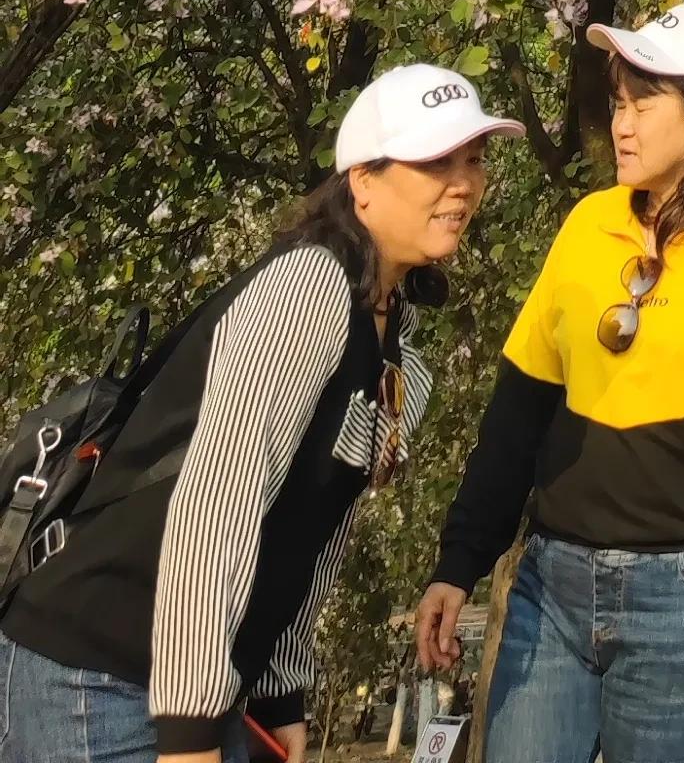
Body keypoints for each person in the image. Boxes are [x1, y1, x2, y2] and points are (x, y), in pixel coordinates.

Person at [0, 63, 516, 763]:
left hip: (199, 685)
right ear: (363, 180)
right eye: (435, 161)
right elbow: (220, 500)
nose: (463, 183)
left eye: (474, 159)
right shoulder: (309, 288)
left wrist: (279, 692)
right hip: (101, 674)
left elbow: (316, 531)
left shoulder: (393, 343)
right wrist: (188, 734)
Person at [417, 0, 684, 763]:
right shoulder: (587, 226)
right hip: (553, 584)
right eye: (618, 102)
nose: (622, 123)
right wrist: (460, 561)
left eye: (645, 102)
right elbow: (516, 413)